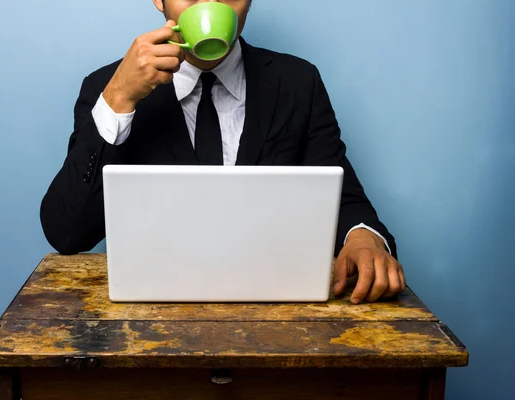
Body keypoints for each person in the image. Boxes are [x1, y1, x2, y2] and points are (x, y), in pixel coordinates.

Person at [40, 0, 406, 304]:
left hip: (275, 310)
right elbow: (66, 233)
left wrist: (363, 237)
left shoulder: (297, 83)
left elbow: (344, 197)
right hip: (150, 315)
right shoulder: (109, 88)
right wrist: (118, 99)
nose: (209, 3)